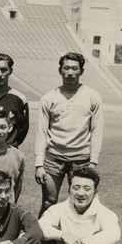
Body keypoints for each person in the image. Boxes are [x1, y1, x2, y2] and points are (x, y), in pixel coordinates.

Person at [34, 52, 103, 217]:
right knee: (48, 202)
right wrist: (39, 164)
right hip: (53, 159)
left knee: (81, 203)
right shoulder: (49, 98)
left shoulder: (92, 96)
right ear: (60, 70)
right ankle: (43, 241)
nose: (70, 72)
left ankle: (80, 239)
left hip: (82, 160)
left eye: (74, 68)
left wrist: (93, 162)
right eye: (66, 68)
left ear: (81, 71)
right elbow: (41, 132)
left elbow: (97, 131)